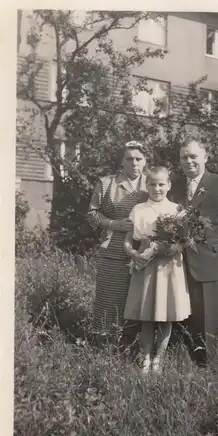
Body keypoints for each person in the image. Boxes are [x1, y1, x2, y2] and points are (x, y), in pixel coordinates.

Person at [168, 137, 218, 366]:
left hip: (208, 259)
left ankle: (206, 364)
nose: (188, 161)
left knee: (206, 315)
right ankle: (179, 358)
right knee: (180, 310)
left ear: (205, 157)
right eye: (184, 157)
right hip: (177, 259)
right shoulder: (174, 185)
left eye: (193, 156)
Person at [123, 166, 191, 375]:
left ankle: (158, 359)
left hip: (168, 266)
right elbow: (127, 240)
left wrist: (170, 247)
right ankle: (145, 357)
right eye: (152, 184)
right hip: (144, 264)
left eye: (161, 184)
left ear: (169, 185)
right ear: (146, 185)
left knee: (165, 314)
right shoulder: (139, 209)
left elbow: (184, 241)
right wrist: (133, 254)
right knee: (147, 315)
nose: (157, 188)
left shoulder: (177, 210)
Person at [87, 141, 148, 351]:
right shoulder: (107, 183)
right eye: (129, 158)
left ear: (145, 161)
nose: (134, 163)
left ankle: (132, 347)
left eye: (138, 159)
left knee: (137, 301)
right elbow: (92, 214)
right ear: (122, 161)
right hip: (112, 250)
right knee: (108, 299)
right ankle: (103, 348)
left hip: (144, 253)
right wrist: (113, 224)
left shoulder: (153, 184)